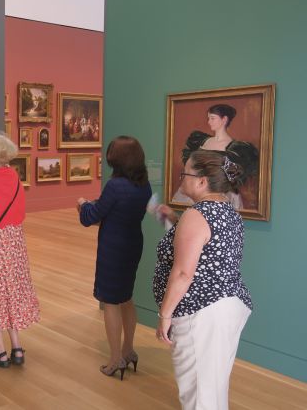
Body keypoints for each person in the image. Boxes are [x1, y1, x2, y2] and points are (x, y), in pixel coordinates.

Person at [154, 150, 252, 410]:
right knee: (212, 387)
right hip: (226, 306)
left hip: (202, 313)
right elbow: (207, 248)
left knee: (198, 395)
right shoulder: (227, 211)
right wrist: (173, 220)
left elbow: (184, 273)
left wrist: (165, 315)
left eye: (184, 173)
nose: (180, 178)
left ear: (202, 181)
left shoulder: (197, 216)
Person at [77, 136, 152, 380]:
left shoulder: (115, 186)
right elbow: (114, 210)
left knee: (110, 302)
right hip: (133, 244)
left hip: (113, 247)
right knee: (127, 298)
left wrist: (82, 205)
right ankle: (129, 350)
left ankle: (114, 359)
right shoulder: (144, 185)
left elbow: (92, 216)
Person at [0, 132, 40, 368]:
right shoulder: (14, 176)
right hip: (15, 242)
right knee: (12, 292)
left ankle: (0, 352)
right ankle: (17, 347)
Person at [172, 104, 258, 209]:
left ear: (224, 120)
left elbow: (232, 176)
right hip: (195, 189)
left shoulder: (234, 149)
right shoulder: (201, 140)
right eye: (208, 118)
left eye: (212, 118)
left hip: (219, 194)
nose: (209, 122)